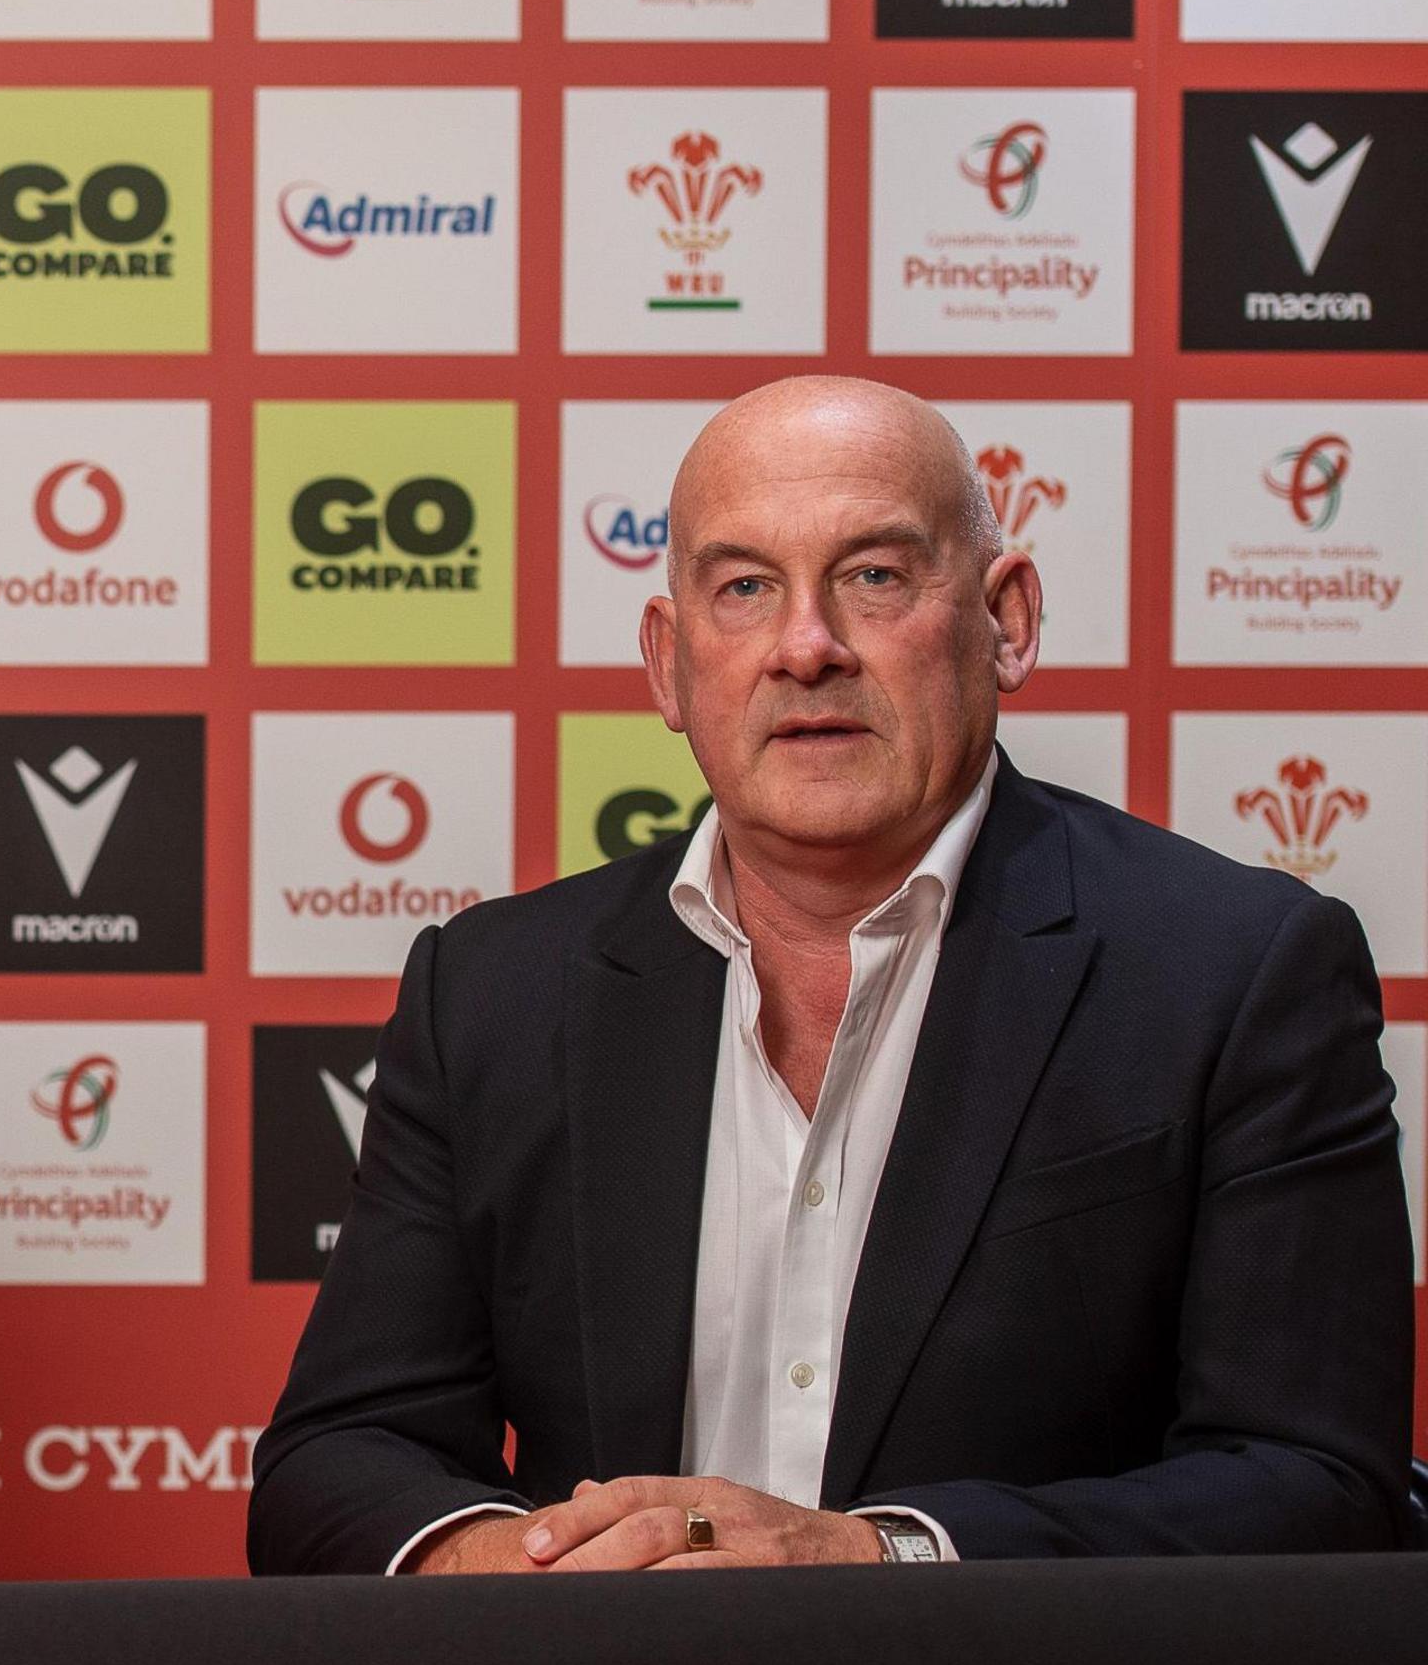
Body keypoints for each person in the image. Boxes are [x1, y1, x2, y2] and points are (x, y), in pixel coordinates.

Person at [251, 375, 1412, 1575]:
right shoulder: (490, 990)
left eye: (875, 575)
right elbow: (338, 1458)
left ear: (1006, 620)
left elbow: (1316, 1485)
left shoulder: (1237, 971)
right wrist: (523, 1565)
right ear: (669, 664)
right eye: (744, 587)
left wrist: (877, 1558)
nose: (806, 647)